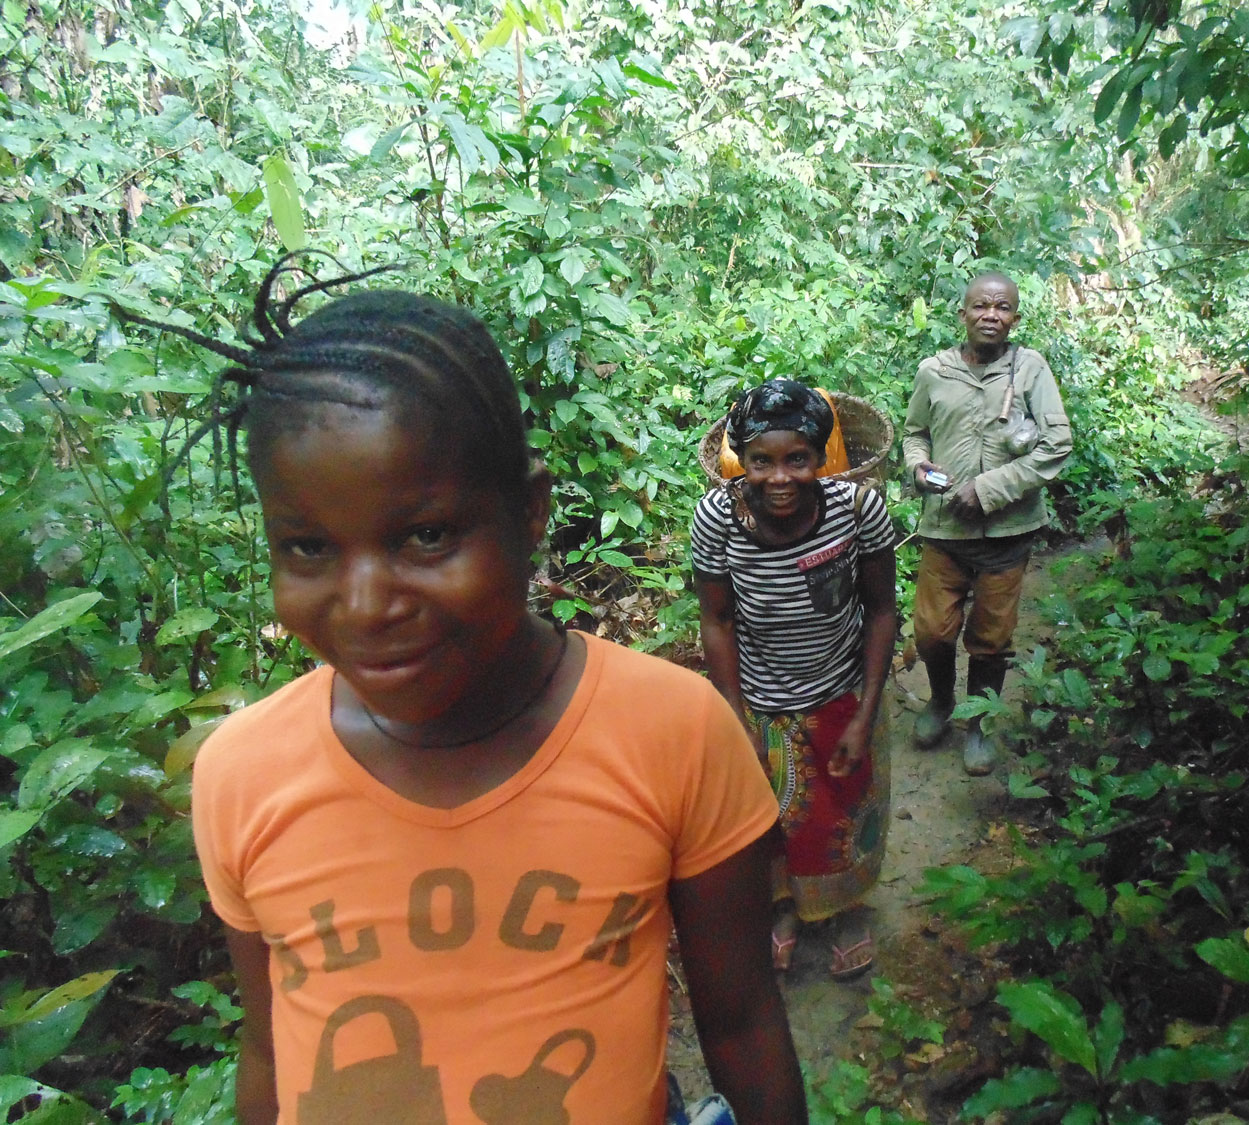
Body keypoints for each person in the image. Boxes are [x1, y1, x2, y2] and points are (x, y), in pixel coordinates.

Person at [120, 257, 806, 1125]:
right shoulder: (243, 774)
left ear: (529, 514)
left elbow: (743, 1024)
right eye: (307, 547)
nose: (366, 604)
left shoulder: (670, 732)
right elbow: (268, 1049)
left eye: (427, 534)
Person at [691, 379, 898, 980]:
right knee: (776, 817)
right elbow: (717, 617)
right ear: (741, 463)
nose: (779, 478)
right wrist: (734, 711)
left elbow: (882, 610)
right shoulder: (719, 519)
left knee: (844, 810)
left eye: (797, 460)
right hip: (762, 698)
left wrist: (864, 714)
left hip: (841, 690)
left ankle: (844, 911)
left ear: (820, 460)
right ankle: (787, 911)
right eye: (761, 462)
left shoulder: (857, 510)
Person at [902, 271, 1073, 776]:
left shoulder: (1031, 369)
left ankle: (981, 723)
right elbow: (915, 434)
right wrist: (918, 467)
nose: (990, 316)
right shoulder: (934, 370)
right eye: (981, 306)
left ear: (1015, 317)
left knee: (991, 638)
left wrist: (990, 488)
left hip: (1007, 532)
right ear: (964, 314)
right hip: (944, 527)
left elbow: (1056, 443)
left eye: (1002, 308)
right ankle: (940, 702)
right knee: (933, 631)